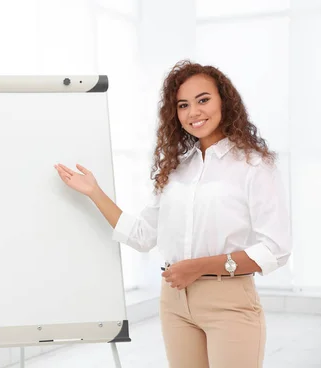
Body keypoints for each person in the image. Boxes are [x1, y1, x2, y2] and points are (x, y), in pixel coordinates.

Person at [53, 60, 292, 368]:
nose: (194, 112)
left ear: (224, 101)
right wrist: (94, 192)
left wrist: (199, 267)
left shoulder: (254, 166)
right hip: (175, 303)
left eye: (203, 100)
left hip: (229, 301)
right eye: (183, 105)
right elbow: (142, 236)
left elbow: (276, 249)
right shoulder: (177, 168)